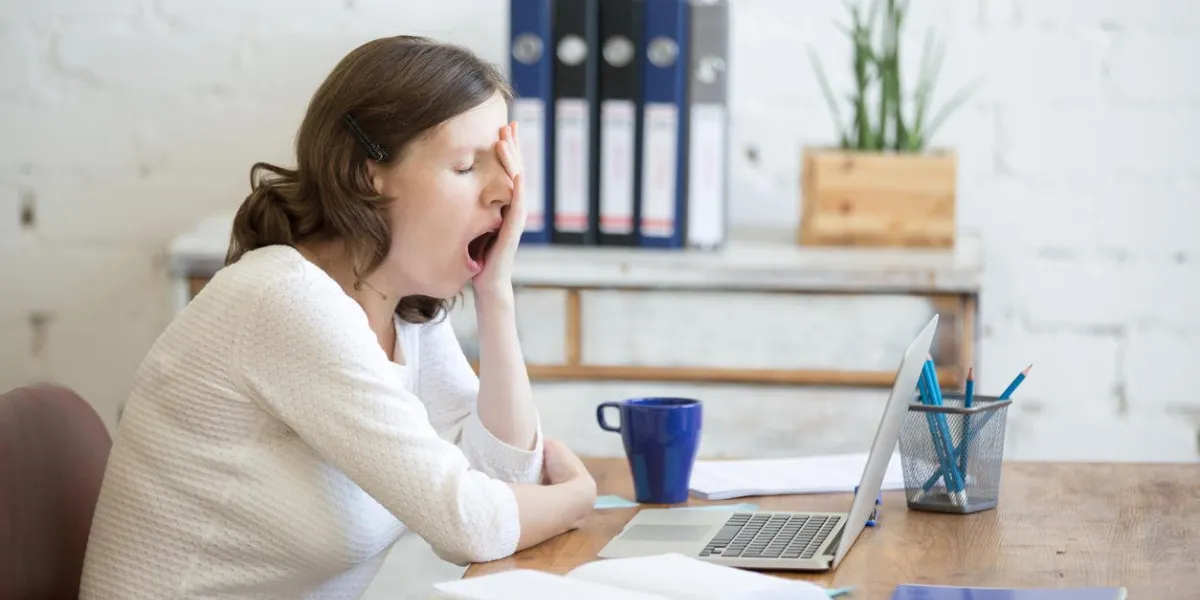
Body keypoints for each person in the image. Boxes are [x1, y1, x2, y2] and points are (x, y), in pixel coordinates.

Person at [79, 36, 598, 599]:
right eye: (467, 165)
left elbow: (502, 483)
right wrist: (578, 496)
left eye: (502, 164)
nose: (504, 193)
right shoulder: (286, 300)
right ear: (366, 171)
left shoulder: (404, 310)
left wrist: (495, 291)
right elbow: (471, 524)